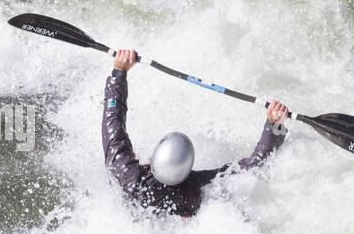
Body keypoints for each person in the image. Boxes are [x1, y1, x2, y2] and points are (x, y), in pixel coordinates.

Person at [102, 48, 287, 217]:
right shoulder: (198, 188)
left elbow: (113, 120)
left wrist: (119, 73)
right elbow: (255, 164)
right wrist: (274, 125)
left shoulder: (126, 173)